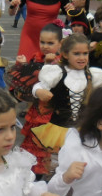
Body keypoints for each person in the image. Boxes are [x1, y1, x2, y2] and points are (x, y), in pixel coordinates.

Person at [31, 34, 102, 155]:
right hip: (59, 129)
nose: (82, 57)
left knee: (83, 158)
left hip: (84, 128)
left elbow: (101, 95)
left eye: (85, 53)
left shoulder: (92, 75)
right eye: (77, 54)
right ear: (65, 54)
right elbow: (39, 85)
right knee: (57, 160)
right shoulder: (57, 72)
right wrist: (39, 91)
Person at [11, 23, 63, 178]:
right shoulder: (36, 57)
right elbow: (31, 80)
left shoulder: (61, 63)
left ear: (60, 44)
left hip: (51, 114)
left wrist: (48, 64)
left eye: (50, 43)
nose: (45, 46)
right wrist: (24, 65)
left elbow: (50, 81)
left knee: (45, 147)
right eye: (42, 42)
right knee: (31, 144)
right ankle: (29, 173)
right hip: (36, 110)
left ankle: (41, 177)